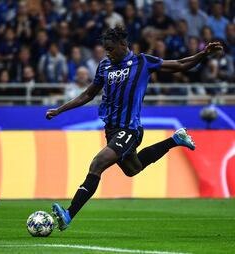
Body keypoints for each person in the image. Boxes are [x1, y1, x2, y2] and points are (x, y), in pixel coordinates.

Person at [46, 26, 222, 231]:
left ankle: (68, 214)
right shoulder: (104, 66)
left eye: (111, 48)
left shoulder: (142, 62)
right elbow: (87, 94)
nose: (108, 53)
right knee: (133, 169)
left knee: (97, 164)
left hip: (129, 129)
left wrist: (202, 54)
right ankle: (175, 140)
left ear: (123, 45)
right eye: (105, 49)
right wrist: (60, 109)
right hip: (111, 129)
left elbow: (181, 64)